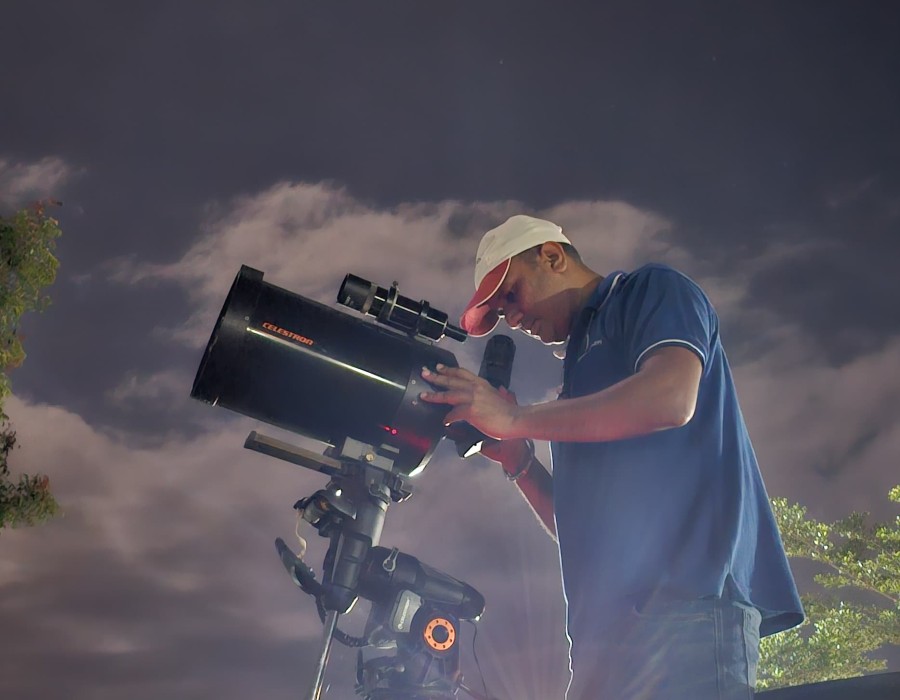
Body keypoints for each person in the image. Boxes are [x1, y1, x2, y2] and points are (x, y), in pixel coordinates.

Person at [419, 215, 804, 700]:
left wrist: (515, 418)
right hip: (601, 646)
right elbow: (582, 528)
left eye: (511, 295)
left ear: (552, 257)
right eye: (499, 313)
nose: (512, 319)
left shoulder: (651, 290)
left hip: (684, 618)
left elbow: (670, 398)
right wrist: (520, 462)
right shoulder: (577, 378)